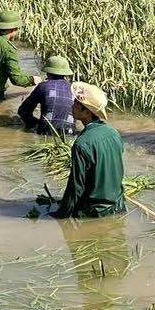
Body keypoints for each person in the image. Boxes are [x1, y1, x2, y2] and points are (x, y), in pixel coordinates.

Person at [54, 82, 124, 219]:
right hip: (118, 206)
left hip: (92, 212)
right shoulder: (113, 133)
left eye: (76, 103)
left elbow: (76, 186)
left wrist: (61, 214)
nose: (72, 105)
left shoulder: (81, 144)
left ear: (87, 112)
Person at [18, 55, 77, 136]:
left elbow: (23, 111)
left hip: (46, 131)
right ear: (65, 74)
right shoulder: (74, 89)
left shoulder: (43, 86)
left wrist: (34, 124)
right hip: (70, 132)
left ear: (48, 73)